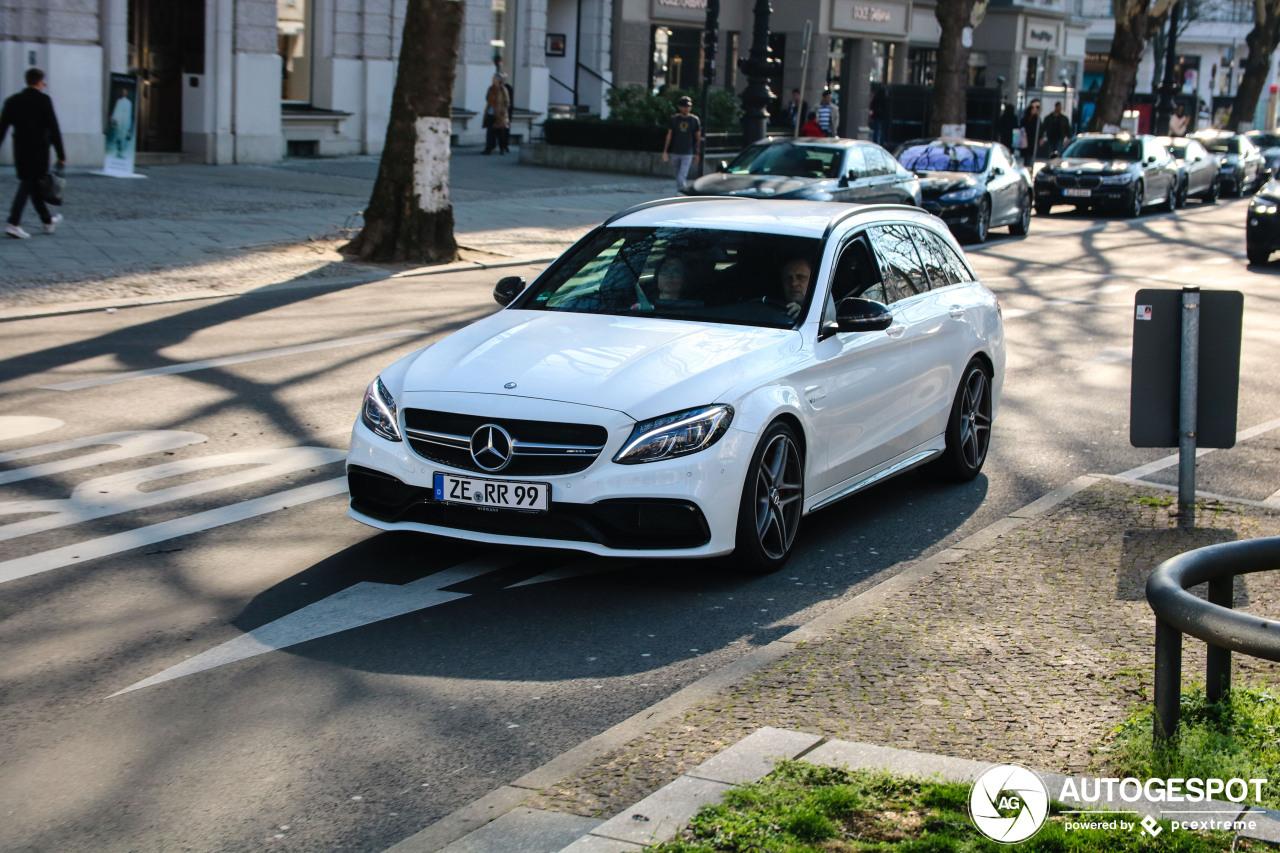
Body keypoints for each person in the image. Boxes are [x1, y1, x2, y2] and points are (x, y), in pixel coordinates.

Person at [0, 68, 65, 239]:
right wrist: (61, 154)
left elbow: (2, 129)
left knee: (33, 185)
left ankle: (47, 221)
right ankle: (13, 223)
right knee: (28, 183)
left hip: (20, 151)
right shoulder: (44, 101)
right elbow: (54, 128)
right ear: (39, 82)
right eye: (44, 82)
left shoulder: (12, 101)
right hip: (39, 151)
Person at [662, 95, 701, 192]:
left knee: (682, 175)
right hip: (676, 151)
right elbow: (669, 135)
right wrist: (665, 151)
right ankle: (681, 189)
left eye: (688, 106)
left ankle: (681, 192)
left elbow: (698, 137)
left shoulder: (694, 120)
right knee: (678, 174)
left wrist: (697, 152)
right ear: (679, 107)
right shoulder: (675, 119)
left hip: (687, 152)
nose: (686, 108)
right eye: (684, 106)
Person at [482, 73, 511, 155]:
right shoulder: (491, 88)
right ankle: (488, 149)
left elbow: (507, 102)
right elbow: (487, 98)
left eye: (494, 78)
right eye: (493, 78)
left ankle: (502, 148)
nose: (493, 80)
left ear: (499, 80)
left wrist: (503, 112)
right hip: (491, 112)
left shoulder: (503, 89)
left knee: (500, 132)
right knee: (490, 132)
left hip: (499, 114)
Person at [1019, 99, 1042, 167]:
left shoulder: (1037, 119)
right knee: (1027, 157)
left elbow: (1039, 129)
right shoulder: (1026, 119)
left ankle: (1030, 167)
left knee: (1031, 156)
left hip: (1033, 141)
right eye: (1033, 108)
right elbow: (1023, 127)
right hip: (1026, 140)